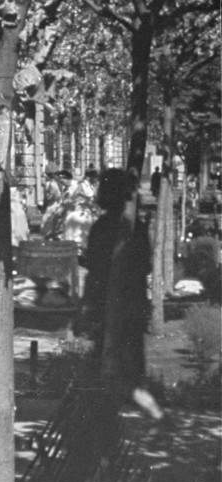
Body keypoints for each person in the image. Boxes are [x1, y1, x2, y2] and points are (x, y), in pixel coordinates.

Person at [82, 169, 164, 420]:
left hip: (107, 303)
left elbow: (94, 270)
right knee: (128, 358)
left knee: (107, 361)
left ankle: (125, 410)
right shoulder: (136, 228)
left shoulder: (103, 227)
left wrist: (86, 307)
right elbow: (145, 265)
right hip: (132, 302)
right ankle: (137, 404)